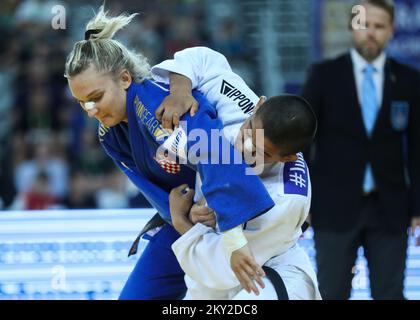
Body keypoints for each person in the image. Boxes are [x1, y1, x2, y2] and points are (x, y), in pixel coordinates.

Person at [65, 6, 274, 300]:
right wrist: (182, 213)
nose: (90, 110)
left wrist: (233, 239)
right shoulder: (109, 133)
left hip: (236, 208)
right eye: (82, 102)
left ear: (125, 79)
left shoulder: (156, 105)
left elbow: (212, 148)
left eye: (96, 97)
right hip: (192, 221)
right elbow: (157, 191)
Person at [301, 0, 420, 299]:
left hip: (391, 208)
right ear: (353, 28)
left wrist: (418, 208)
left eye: (379, 27)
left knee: (390, 294)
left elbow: (418, 150)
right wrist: (304, 200)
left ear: (391, 31)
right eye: (365, 25)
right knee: (331, 292)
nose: (371, 33)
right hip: (332, 207)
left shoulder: (410, 80)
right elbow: (301, 142)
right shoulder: (324, 76)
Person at [168, 94, 321, 300]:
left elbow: (225, 267)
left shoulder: (285, 199)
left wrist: (181, 222)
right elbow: (204, 63)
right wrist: (182, 86)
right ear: (258, 106)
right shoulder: (245, 119)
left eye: (261, 152)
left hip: (270, 274)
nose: (245, 147)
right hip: (218, 272)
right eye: (248, 130)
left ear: (287, 158)